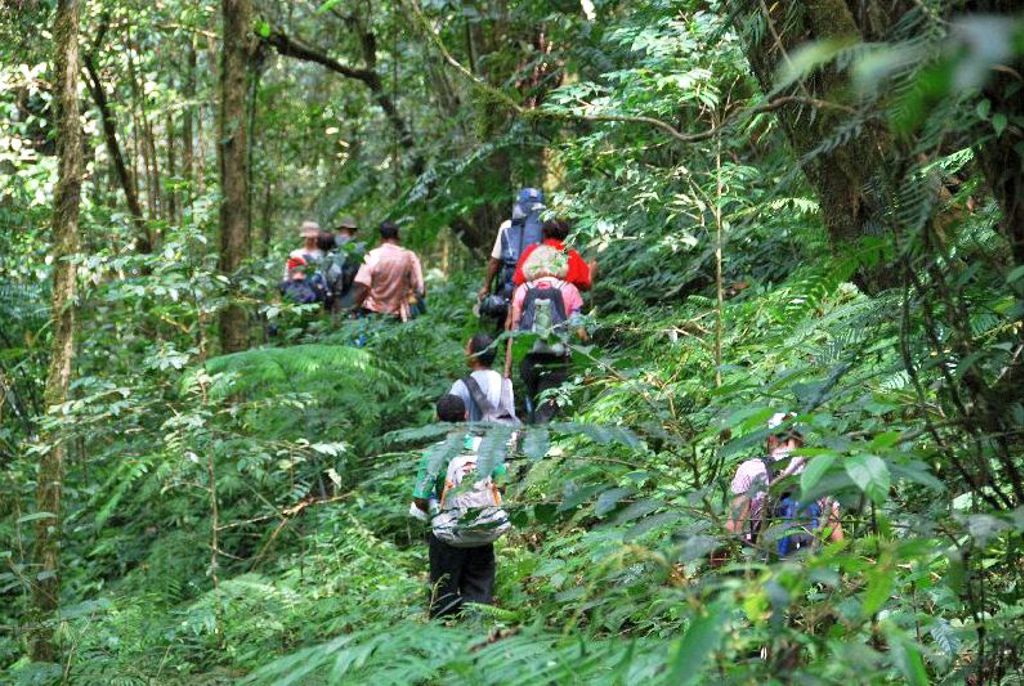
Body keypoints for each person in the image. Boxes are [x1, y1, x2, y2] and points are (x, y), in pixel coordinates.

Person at [412, 394, 507, 617]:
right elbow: (502, 486)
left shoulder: (434, 454)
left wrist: (438, 512)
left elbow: (420, 499)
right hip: (482, 530)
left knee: (442, 593)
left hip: (448, 537)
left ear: (438, 419)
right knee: (480, 591)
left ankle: (446, 641)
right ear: (466, 415)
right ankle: (477, 639)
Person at [725, 413, 843, 556]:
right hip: (808, 564)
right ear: (802, 437)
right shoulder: (819, 469)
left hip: (764, 565)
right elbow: (835, 528)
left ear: (770, 437)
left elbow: (733, 527)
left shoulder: (751, 469)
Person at [506, 244, 585, 423]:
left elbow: (514, 330)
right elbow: (578, 330)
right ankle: (541, 447)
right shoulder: (569, 289)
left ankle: (529, 444)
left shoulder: (523, 290)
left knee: (534, 407)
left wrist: (507, 367)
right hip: (557, 359)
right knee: (547, 413)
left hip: (528, 359)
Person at [477, 188, 546, 321]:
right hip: (541, 288)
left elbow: (494, 262)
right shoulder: (548, 227)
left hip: (510, 288)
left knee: (506, 323)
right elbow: (560, 254)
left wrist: (486, 286)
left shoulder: (506, 226)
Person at [351, 220, 424, 321]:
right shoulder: (409, 256)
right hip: (400, 316)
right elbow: (420, 289)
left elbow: (363, 287)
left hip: (373, 314)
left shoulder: (372, 255)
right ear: (398, 236)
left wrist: (355, 308)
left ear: (381, 237)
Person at [449, 333, 516, 423]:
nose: (465, 353)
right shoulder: (506, 383)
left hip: (472, 436)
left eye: (467, 349)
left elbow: (450, 417)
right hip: (501, 435)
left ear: (474, 357)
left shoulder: (461, 386)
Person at [512, 218, 593, 292]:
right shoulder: (570, 253)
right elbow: (585, 284)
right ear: (566, 235)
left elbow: (518, 281)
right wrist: (591, 271)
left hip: (532, 302)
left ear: (544, 233)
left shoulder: (531, 250)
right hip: (562, 304)